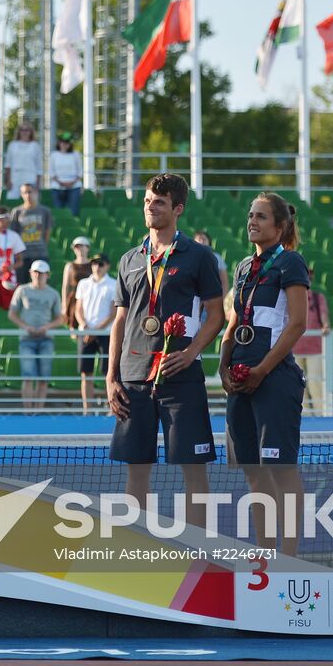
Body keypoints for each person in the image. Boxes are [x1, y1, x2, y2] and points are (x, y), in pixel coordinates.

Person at [106, 174, 224, 524]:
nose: (150, 207)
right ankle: (136, 548)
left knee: (193, 471)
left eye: (159, 202)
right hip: (134, 378)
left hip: (180, 377)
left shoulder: (200, 256)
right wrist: (112, 378)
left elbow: (216, 316)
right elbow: (120, 322)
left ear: (178, 208)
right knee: (136, 472)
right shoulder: (130, 258)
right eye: (147, 201)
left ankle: (197, 553)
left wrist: (190, 354)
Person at [218, 193, 310, 556]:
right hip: (240, 381)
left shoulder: (291, 262)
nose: (252, 221)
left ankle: (289, 558)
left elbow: (298, 324)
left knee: (281, 470)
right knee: (253, 472)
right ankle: (264, 553)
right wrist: (223, 368)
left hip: (274, 379)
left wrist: (261, 370)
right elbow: (233, 322)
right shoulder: (243, 268)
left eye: (260, 216)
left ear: (280, 225)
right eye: (250, 215)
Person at [10, 260, 63, 409]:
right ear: (31, 273)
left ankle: (38, 410)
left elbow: (60, 319)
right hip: (26, 338)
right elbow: (12, 314)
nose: (38, 276)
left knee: (43, 378)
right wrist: (26, 327)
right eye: (36, 272)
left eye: (42, 273)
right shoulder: (22, 290)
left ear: (48, 275)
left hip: (46, 339)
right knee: (28, 377)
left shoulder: (53, 293)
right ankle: (29, 411)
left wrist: (47, 327)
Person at [74, 255, 118, 415]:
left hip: (105, 333)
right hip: (87, 332)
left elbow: (114, 313)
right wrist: (85, 326)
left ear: (107, 266)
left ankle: (112, 408)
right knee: (86, 372)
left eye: (100, 264)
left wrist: (95, 330)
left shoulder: (113, 284)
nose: (96, 267)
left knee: (109, 372)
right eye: (94, 263)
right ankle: (88, 410)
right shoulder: (83, 284)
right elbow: (78, 308)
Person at [292, 265, 331, 415]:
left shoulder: (317, 298)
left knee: (315, 383)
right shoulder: (291, 297)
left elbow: (324, 318)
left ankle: (321, 414)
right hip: (294, 347)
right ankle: (304, 415)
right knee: (299, 385)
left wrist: (326, 326)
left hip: (314, 348)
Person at [9, 183, 54, 266]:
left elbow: (48, 232)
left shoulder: (45, 211)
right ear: (21, 195)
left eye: (30, 192)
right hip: (23, 255)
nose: (28, 195)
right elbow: (14, 233)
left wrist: (42, 246)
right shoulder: (16, 212)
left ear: (35, 192)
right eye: (25, 193)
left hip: (40, 253)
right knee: (22, 279)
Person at [3, 122, 42, 199]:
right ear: (19, 132)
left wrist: (38, 184)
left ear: (31, 132)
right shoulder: (12, 145)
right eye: (22, 130)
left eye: (27, 130)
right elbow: (8, 165)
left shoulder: (35, 146)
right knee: (11, 199)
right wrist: (8, 180)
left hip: (31, 177)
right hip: (15, 178)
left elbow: (39, 167)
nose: (24, 132)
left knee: (32, 201)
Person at [60, 236, 92, 330]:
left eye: (82, 246)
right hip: (74, 299)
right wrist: (64, 306)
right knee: (74, 328)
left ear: (87, 248)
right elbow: (65, 287)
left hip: (89, 298)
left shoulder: (93, 264)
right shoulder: (70, 265)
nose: (79, 249)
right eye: (77, 247)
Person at [49, 132, 83, 215]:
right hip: (57, 187)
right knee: (58, 212)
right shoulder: (54, 155)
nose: (64, 144)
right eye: (62, 142)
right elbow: (51, 172)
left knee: (73, 212)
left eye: (67, 142)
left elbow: (80, 171)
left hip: (74, 186)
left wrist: (72, 183)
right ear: (59, 143)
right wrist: (60, 183)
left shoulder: (76, 154)